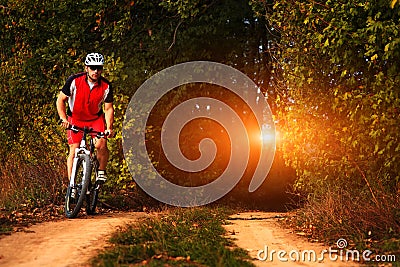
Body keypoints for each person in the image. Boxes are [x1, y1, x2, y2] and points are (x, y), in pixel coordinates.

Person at [56, 52, 114, 183]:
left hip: (95, 120)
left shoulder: (106, 86)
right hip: (75, 119)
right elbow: (60, 100)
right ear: (86, 68)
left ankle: (101, 171)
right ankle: (71, 185)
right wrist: (63, 118)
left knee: (101, 144)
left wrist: (109, 128)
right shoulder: (74, 80)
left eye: (99, 68)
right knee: (74, 149)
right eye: (92, 67)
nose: (96, 71)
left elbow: (108, 108)